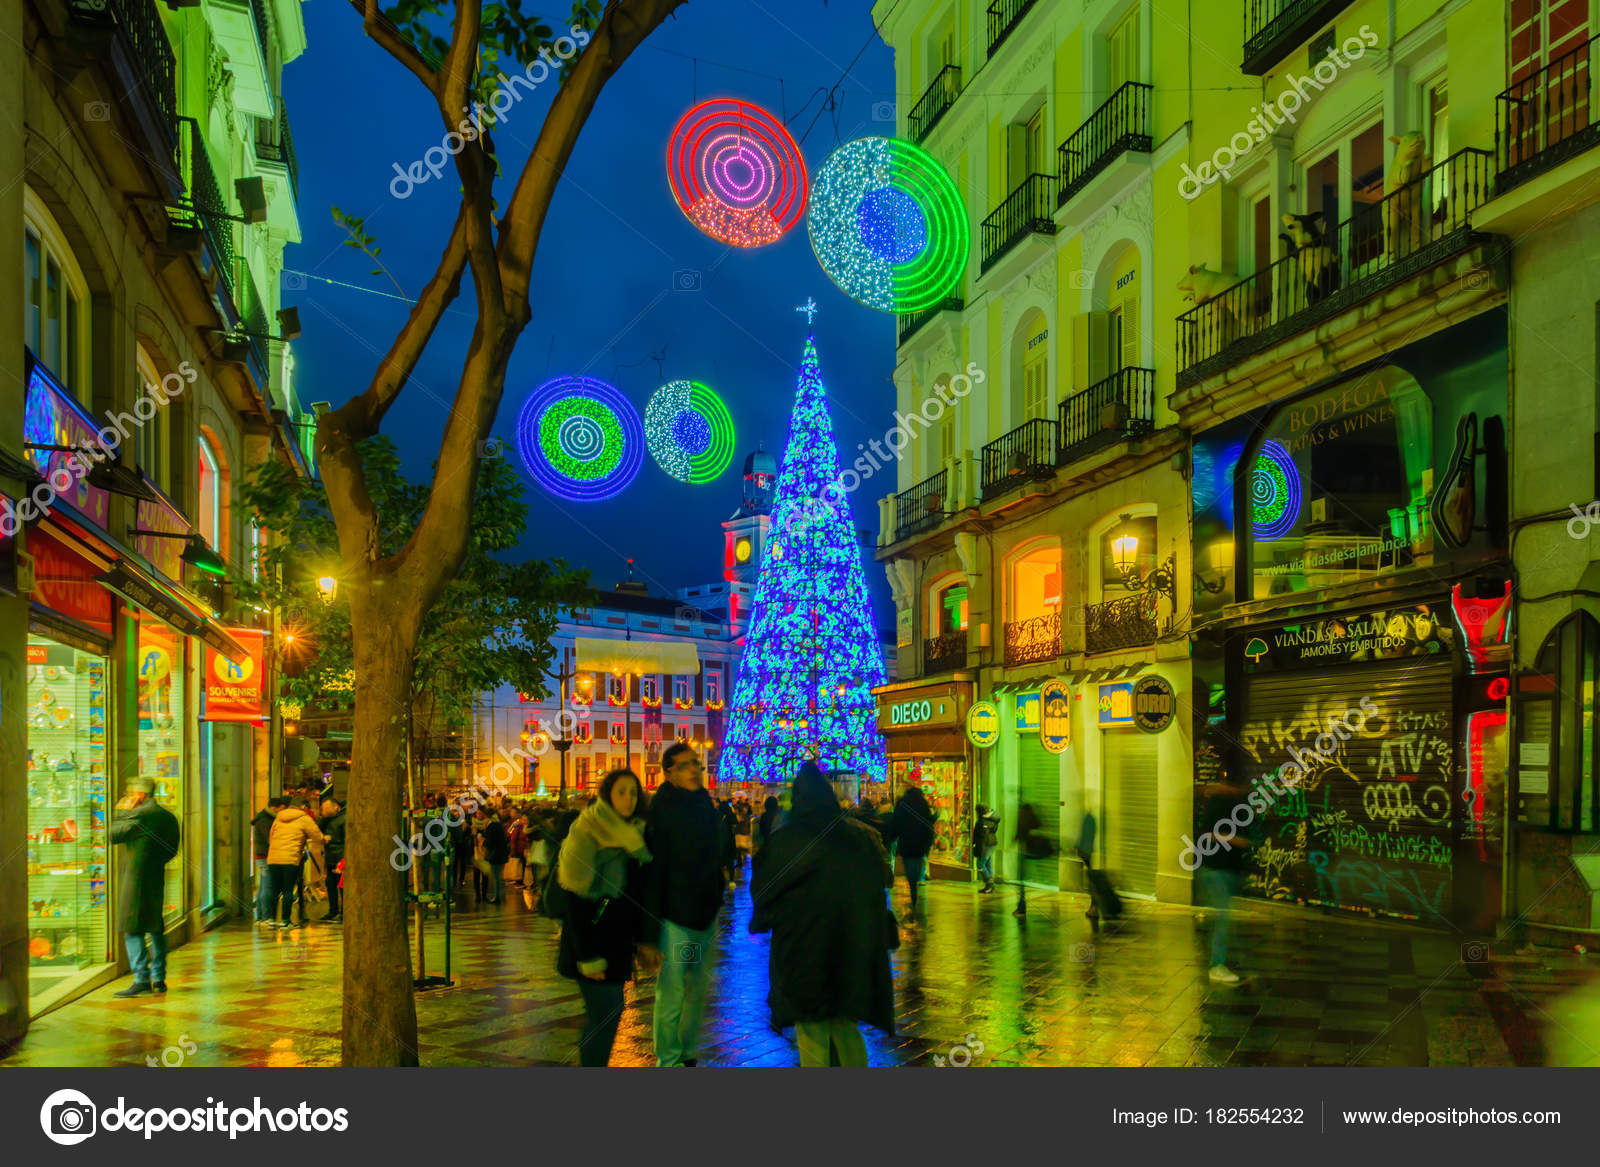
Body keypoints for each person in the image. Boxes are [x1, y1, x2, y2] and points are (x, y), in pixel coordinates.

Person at [751, 763, 895, 1067]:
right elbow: (876, 889)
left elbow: (764, 893)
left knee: (812, 1035)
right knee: (845, 1029)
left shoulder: (785, 841)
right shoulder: (856, 838)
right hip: (848, 954)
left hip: (803, 955)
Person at [639, 741, 731, 1067]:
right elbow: (652, 873)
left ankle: (688, 1053)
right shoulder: (661, 812)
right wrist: (648, 936)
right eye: (685, 765)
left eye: (697, 764)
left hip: (704, 914)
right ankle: (670, 1059)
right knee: (674, 992)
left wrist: (718, 889)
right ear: (667, 772)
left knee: (697, 991)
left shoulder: (704, 804)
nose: (695, 770)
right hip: (676, 918)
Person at [556, 768, 654, 1066]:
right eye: (621, 791)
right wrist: (587, 955)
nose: (628, 798)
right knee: (605, 1013)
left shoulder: (634, 832)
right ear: (607, 794)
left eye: (633, 792)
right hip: (590, 940)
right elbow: (573, 899)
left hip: (617, 940)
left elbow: (634, 894)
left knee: (609, 1012)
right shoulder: (587, 829)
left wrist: (642, 940)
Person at [110, 778, 180, 996]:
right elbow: (172, 849)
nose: (127, 796)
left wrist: (121, 811)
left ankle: (141, 978)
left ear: (140, 795)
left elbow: (113, 835)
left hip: (135, 879)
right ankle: (159, 978)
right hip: (155, 876)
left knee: (132, 928)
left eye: (130, 792)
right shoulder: (168, 816)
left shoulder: (140, 815)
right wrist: (156, 862)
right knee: (155, 927)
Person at [1198, 770, 1254, 985]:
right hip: (1216, 869)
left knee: (1225, 917)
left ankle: (1222, 960)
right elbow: (1208, 834)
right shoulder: (1219, 803)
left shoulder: (1235, 803)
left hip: (1226, 869)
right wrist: (1235, 839)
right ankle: (1216, 965)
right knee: (1223, 917)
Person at [265, 799, 327, 929]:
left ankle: (271, 919)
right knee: (288, 890)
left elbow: (271, 837)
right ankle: (285, 920)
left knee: (274, 890)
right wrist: (325, 839)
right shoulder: (304, 818)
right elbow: (316, 836)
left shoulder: (278, 818)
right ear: (300, 809)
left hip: (273, 858)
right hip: (291, 859)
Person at [1076, 811, 1122, 930]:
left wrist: (1082, 850)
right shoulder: (1090, 818)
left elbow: (1085, 837)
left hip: (1088, 853)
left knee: (1094, 884)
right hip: (1089, 852)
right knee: (1094, 883)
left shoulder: (1088, 819)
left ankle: (1095, 908)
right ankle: (1094, 908)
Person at [891, 786, 936, 909]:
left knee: (909, 865)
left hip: (906, 841)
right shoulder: (923, 803)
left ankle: (912, 888)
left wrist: (894, 835)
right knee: (917, 863)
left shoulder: (902, 803)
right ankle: (915, 885)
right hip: (920, 842)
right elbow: (928, 822)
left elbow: (896, 822)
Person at [250, 797, 286, 923]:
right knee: (267, 886)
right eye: (281, 809)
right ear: (274, 807)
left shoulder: (263, 818)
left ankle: (261, 916)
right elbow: (270, 839)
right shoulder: (265, 820)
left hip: (262, 856)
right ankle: (266, 917)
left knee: (263, 886)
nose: (282, 812)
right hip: (265, 856)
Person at [1014, 802, 1045, 918]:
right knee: (1022, 879)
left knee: (1021, 880)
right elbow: (1038, 825)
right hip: (1029, 851)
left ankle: (1021, 907)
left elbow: (1019, 833)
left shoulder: (1022, 816)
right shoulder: (1032, 817)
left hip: (1024, 850)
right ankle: (1021, 906)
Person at [319, 798, 347, 922]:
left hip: (340, 858)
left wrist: (344, 859)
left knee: (342, 887)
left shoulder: (344, 819)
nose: (322, 811)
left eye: (325, 808)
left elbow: (347, 840)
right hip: (331, 857)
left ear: (335, 806)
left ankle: (343, 913)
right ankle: (333, 911)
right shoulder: (329, 820)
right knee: (330, 885)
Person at [971, 804, 1000, 893]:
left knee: (980, 864)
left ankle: (989, 883)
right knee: (988, 864)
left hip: (985, 845)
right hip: (992, 843)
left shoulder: (982, 821)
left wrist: (977, 848)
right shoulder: (992, 819)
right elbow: (994, 830)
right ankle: (990, 886)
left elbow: (981, 837)